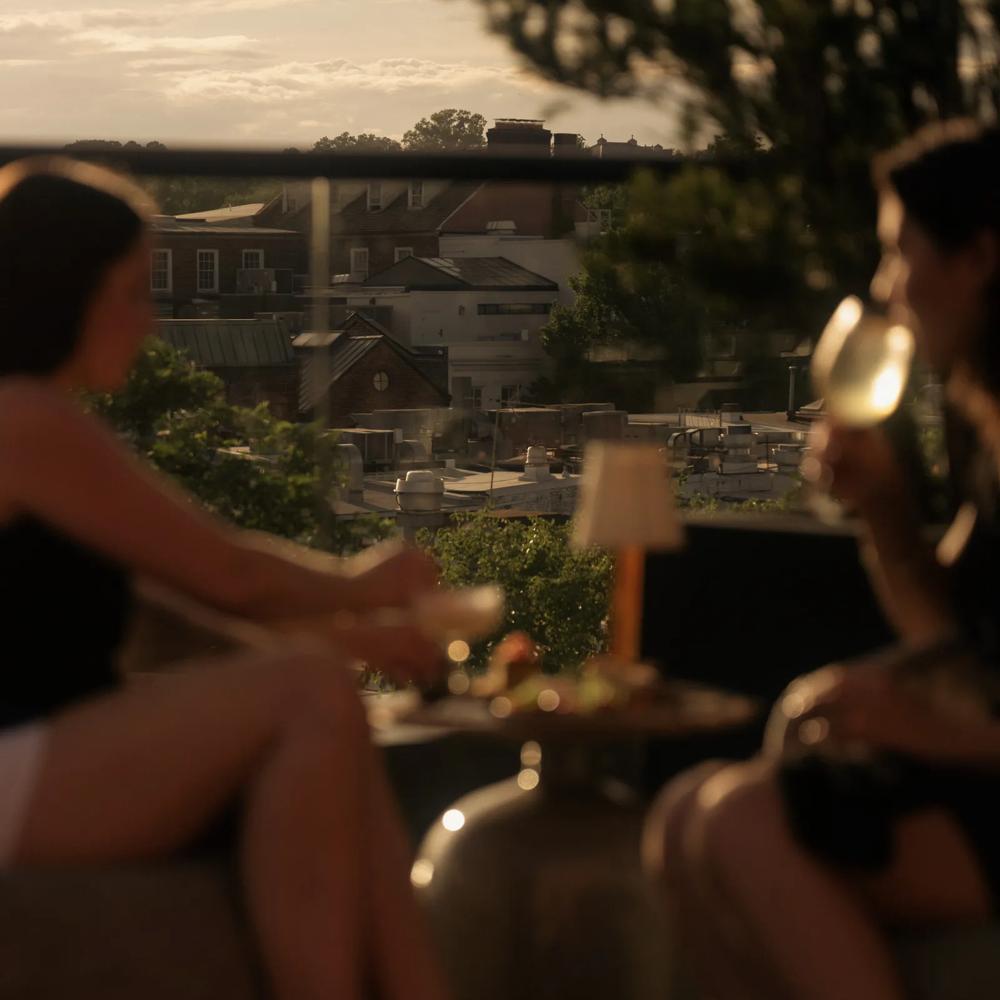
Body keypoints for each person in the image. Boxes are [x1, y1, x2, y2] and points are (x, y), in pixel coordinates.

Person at [0, 157, 451, 1000]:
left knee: (332, 723)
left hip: (36, 758)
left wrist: (351, 637)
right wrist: (364, 581)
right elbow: (230, 575)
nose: (152, 319)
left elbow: (166, 605)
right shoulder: (22, 418)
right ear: (70, 294)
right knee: (313, 695)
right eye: (134, 292)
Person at [644, 120, 1000, 1000]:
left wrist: (915, 719)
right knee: (683, 814)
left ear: (978, 259)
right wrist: (881, 508)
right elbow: (945, 633)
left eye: (897, 252)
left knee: (740, 820)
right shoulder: (984, 426)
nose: (885, 287)